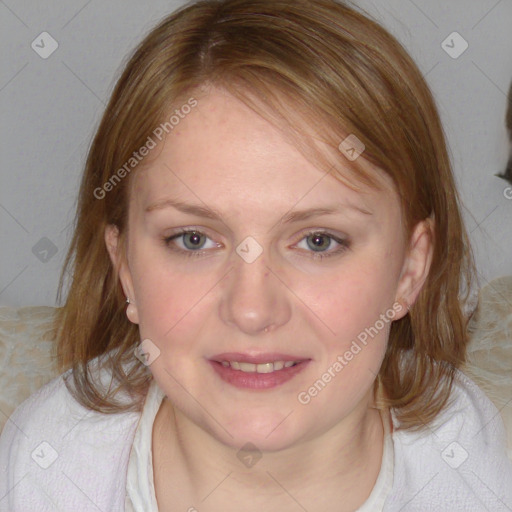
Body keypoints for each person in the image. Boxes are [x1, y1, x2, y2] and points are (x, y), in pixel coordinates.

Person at [1, 0, 511, 510]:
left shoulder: (471, 471)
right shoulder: (49, 467)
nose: (251, 310)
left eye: (319, 241)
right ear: (126, 268)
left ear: (409, 270)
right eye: (193, 239)